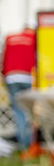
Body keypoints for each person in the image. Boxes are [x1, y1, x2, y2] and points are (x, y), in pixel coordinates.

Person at [2, 24, 37, 152]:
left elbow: (4, 58)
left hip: (11, 77)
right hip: (29, 76)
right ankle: (32, 144)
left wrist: (5, 75)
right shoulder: (34, 38)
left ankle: (23, 144)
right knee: (33, 111)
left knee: (18, 111)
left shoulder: (10, 37)